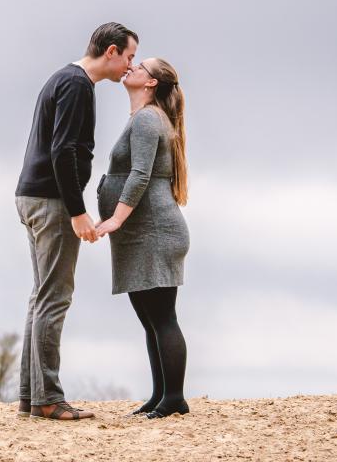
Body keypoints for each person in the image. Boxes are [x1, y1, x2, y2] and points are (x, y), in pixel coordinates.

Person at [14, 22, 137, 421]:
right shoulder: (77, 84)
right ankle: (48, 399)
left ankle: (32, 397)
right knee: (55, 297)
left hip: (31, 196)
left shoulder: (64, 78)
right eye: (130, 57)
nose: (129, 67)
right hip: (50, 202)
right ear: (112, 51)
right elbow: (63, 150)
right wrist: (77, 211)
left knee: (41, 296)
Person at [94, 57, 191, 419]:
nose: (132, 68)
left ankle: (175, 398)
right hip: (142, 233)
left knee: (163, 316)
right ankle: (160, 394)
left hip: (156, 232)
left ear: (150, 83)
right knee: (150, 318)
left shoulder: (149, 119)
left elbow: (139, 175)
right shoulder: (142, 118)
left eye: (141, 67)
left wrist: (116, 219)